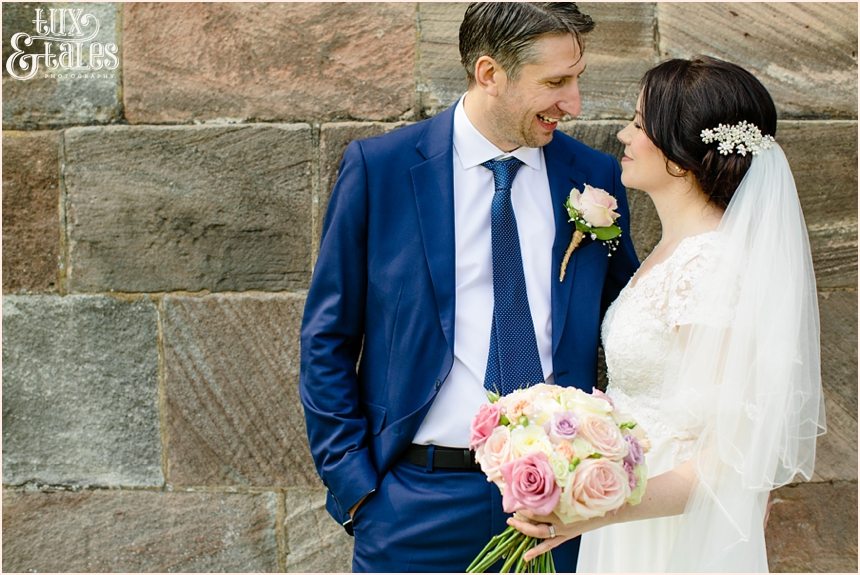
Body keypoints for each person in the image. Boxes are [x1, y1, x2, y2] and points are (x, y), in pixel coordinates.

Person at [299, 2, 639, 571]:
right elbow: (327, 339)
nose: (573, 103)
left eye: (576, 80)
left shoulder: (594, 177)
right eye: (555, 82)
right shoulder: (379, 170)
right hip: (414, 502)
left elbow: (625, 324)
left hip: (564, 509)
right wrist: (357, 488)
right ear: (489, 73)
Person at [508, 56, 826, 572]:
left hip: (669, 533)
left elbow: (730, 460)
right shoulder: (674, 251)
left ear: (681, 154)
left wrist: (596, 511)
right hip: (634, 513)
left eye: (638, 122)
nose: (622, 135)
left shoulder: (710, 265)